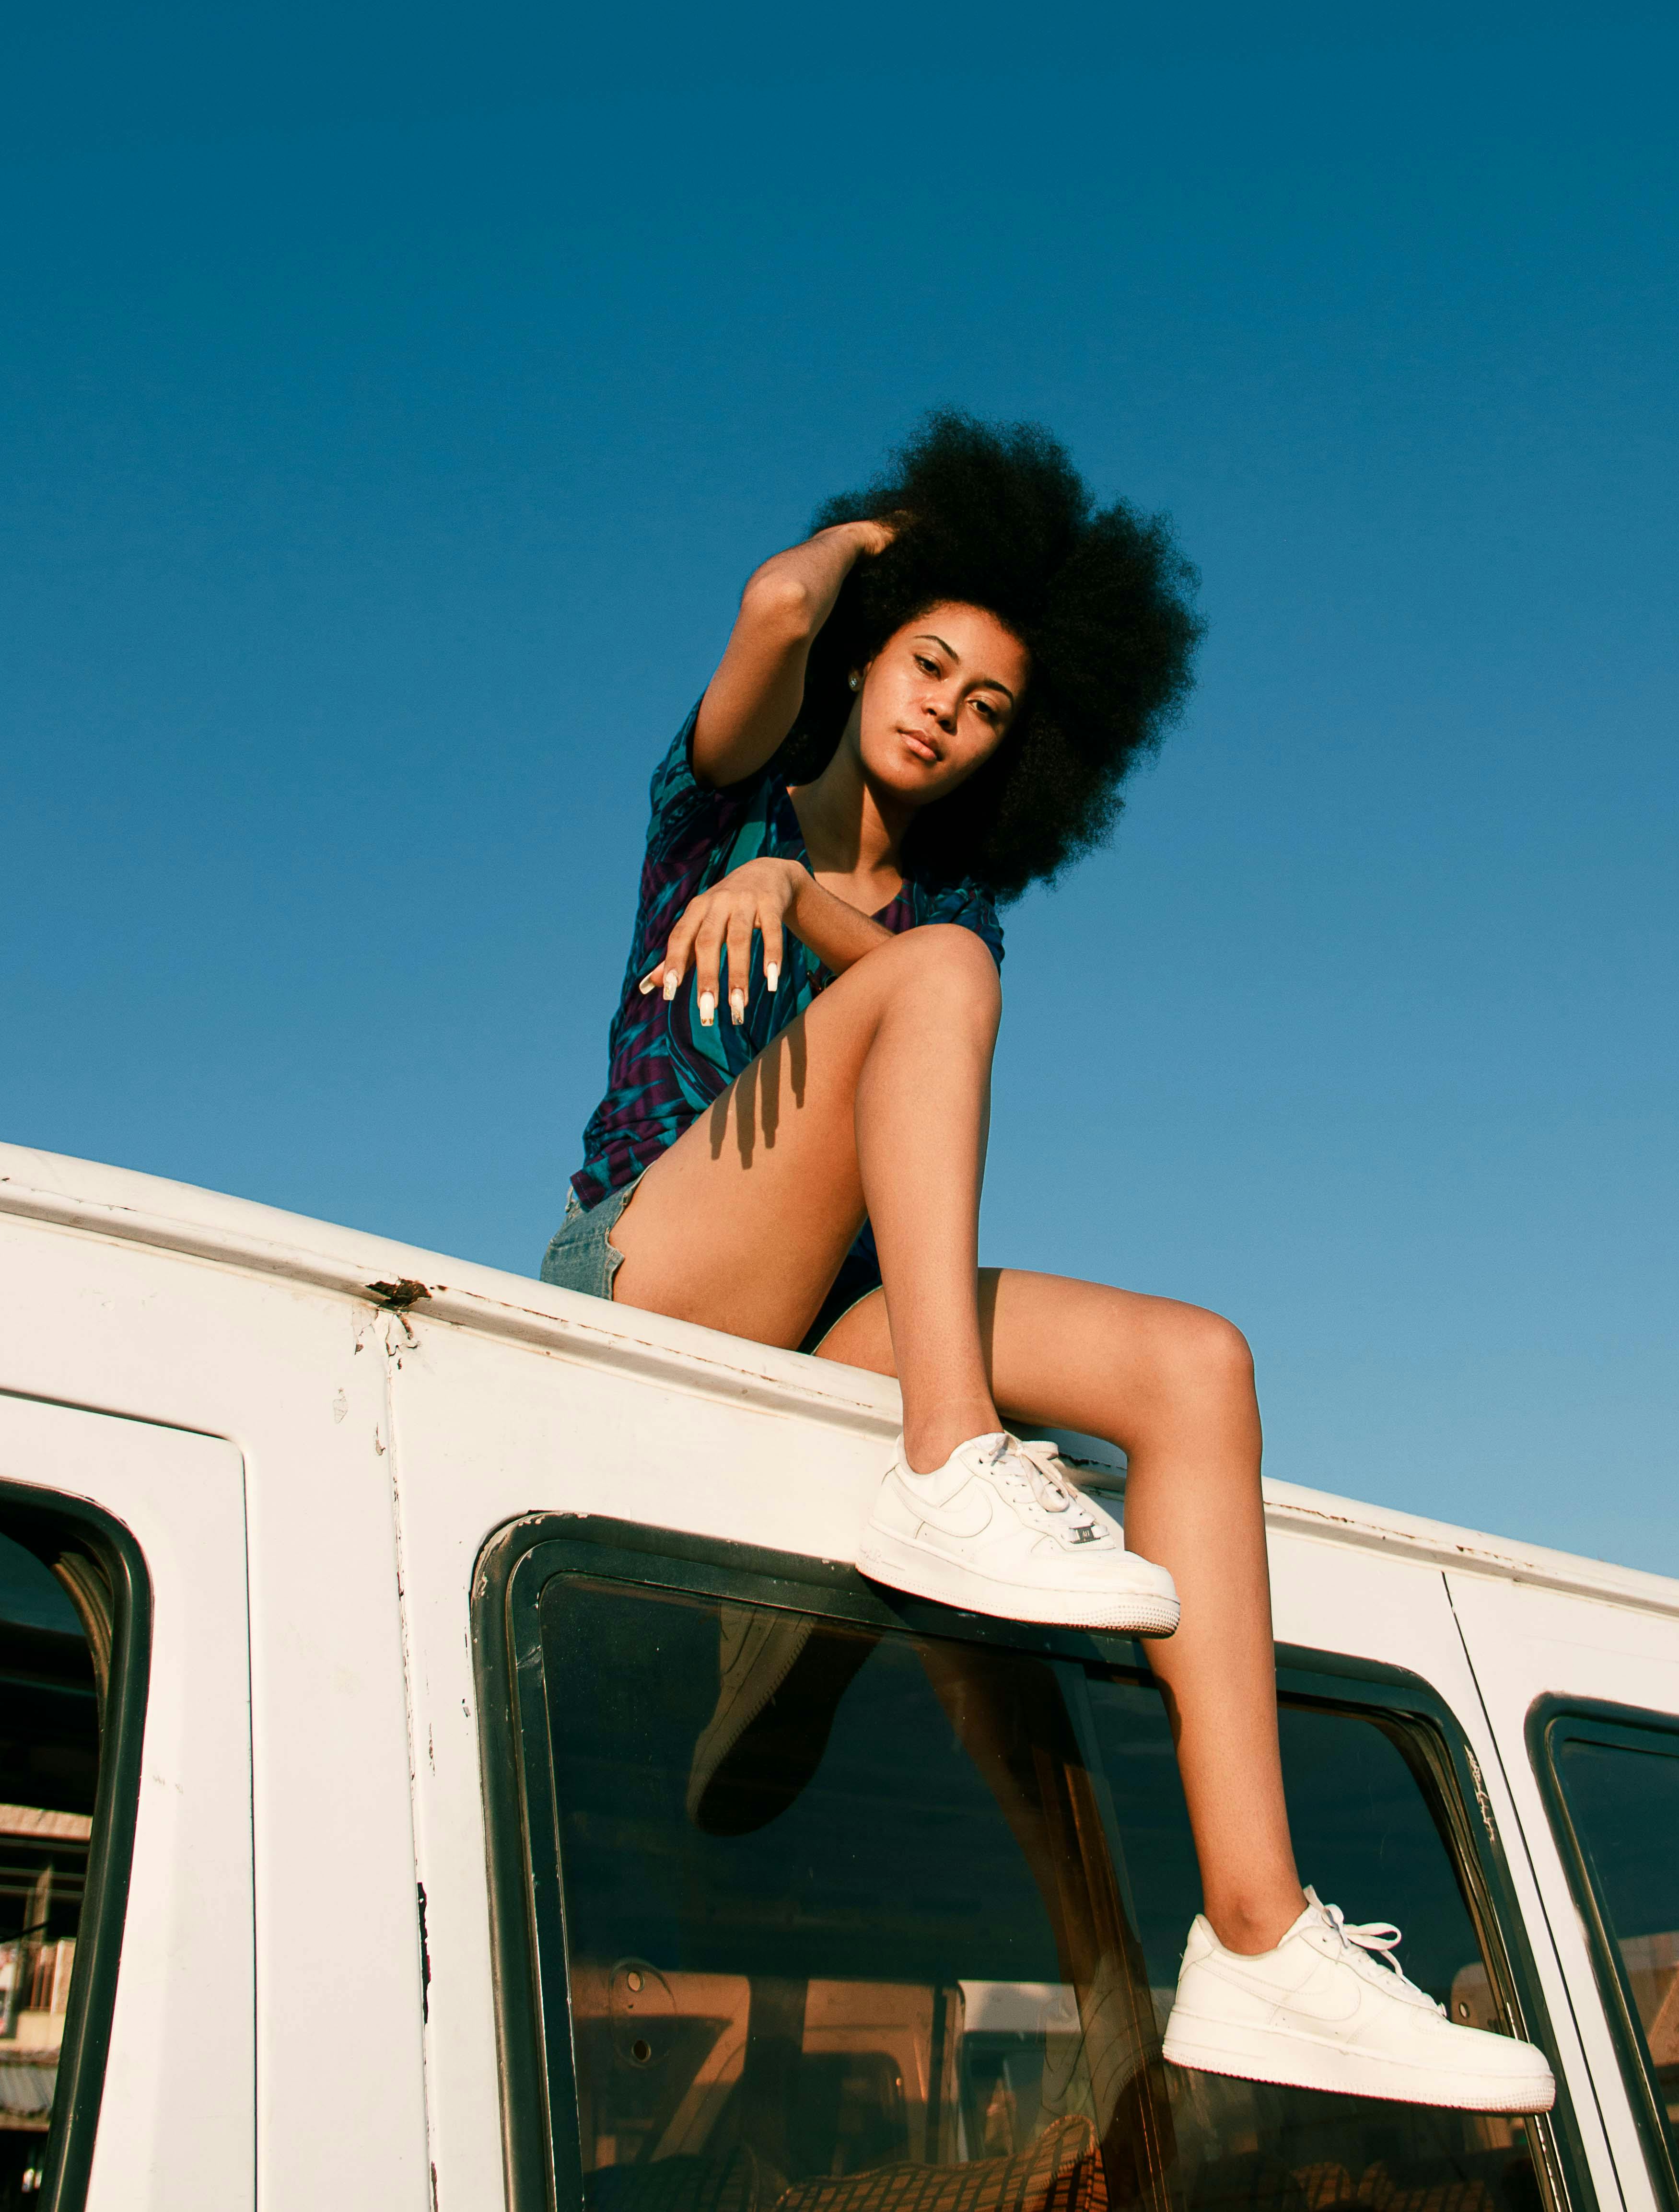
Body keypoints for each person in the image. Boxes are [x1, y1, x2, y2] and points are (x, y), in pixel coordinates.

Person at [542, 411, 1553, 2114]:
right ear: (874, 660)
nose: (942, 708)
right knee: (930, 992)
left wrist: (802, 907)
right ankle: (948, 1466)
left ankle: (1254, 1934)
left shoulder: (946, 924)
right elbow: (774, 612)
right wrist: (883, 548)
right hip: (640, 1278)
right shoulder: (722, 806)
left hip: (835, 1337)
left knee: (1196, 1366)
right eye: (927, 665)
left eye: (988, 704)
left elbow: (895, 959)